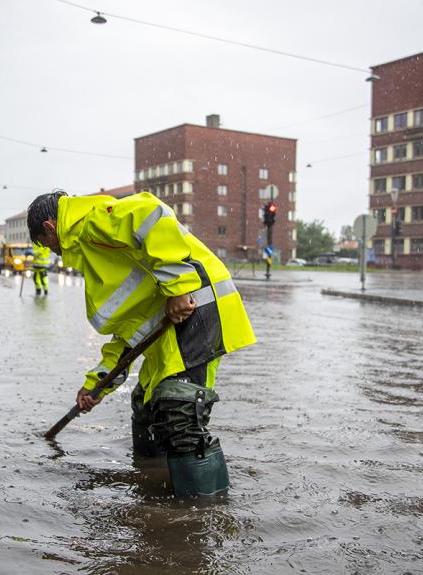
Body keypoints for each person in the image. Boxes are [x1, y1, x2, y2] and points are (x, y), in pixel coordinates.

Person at [27, 189, 256, 496]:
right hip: (170, 333)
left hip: (198, 308)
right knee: (146, 408)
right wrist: (96, 385)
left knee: (180, 411)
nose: (53, 252)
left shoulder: (92, 222)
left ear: (51, 227)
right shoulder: (95, 256)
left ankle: (202, 509)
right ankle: (155, 485)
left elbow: (152, 213)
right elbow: (128, 335)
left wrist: (178, 288)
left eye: (46, 244)